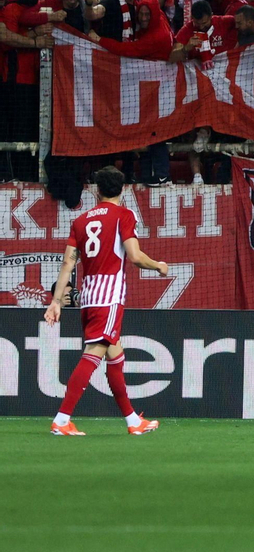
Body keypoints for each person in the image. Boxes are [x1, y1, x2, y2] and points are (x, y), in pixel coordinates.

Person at [43, 166, 169, 436]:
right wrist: (157, 265)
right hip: (109, 296)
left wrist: (56, 301)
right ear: (122, 190)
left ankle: (133, 421)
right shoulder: (124, 215)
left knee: (115, 356)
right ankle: (62, 420)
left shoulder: (81, 220)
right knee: (93, 356)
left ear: (96, 190)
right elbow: (134, 256)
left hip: (89, 297)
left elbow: (68, 261)